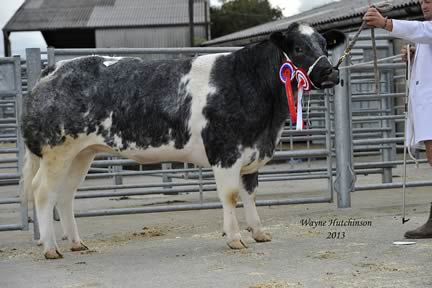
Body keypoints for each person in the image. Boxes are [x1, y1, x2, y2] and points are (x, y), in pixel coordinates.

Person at [364, 0, 432, 239]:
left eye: (430, 1)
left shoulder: (427, 29)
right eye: (423, 0)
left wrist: (385, 23)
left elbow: (420, 31)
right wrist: (415, 55)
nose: (425, 5)